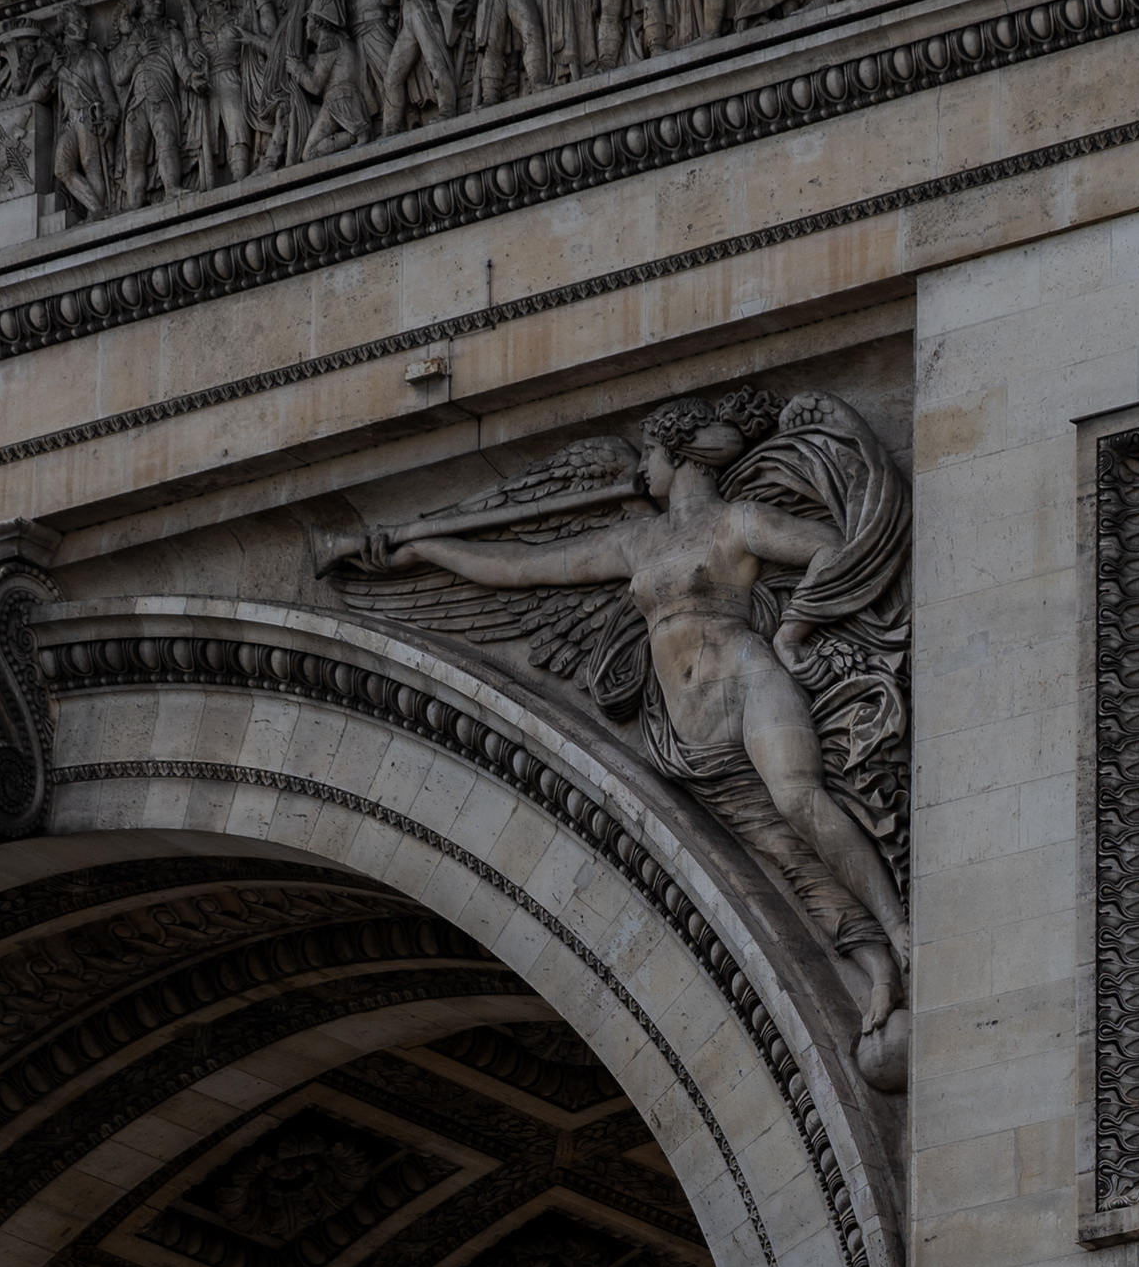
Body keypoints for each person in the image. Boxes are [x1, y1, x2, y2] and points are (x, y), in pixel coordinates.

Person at [324, 413, 912, 1069]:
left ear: (680, 454)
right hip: (687, 733)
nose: (640, 470)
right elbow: (524, 568)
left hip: (748, 679)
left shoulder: (737, 522)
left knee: (799, 800)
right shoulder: (638, 542)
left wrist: (792, 631)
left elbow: (829, 545)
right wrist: (420, 550)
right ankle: (878, 968)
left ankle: (898, 927)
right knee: (790, 858)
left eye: (651, 456)